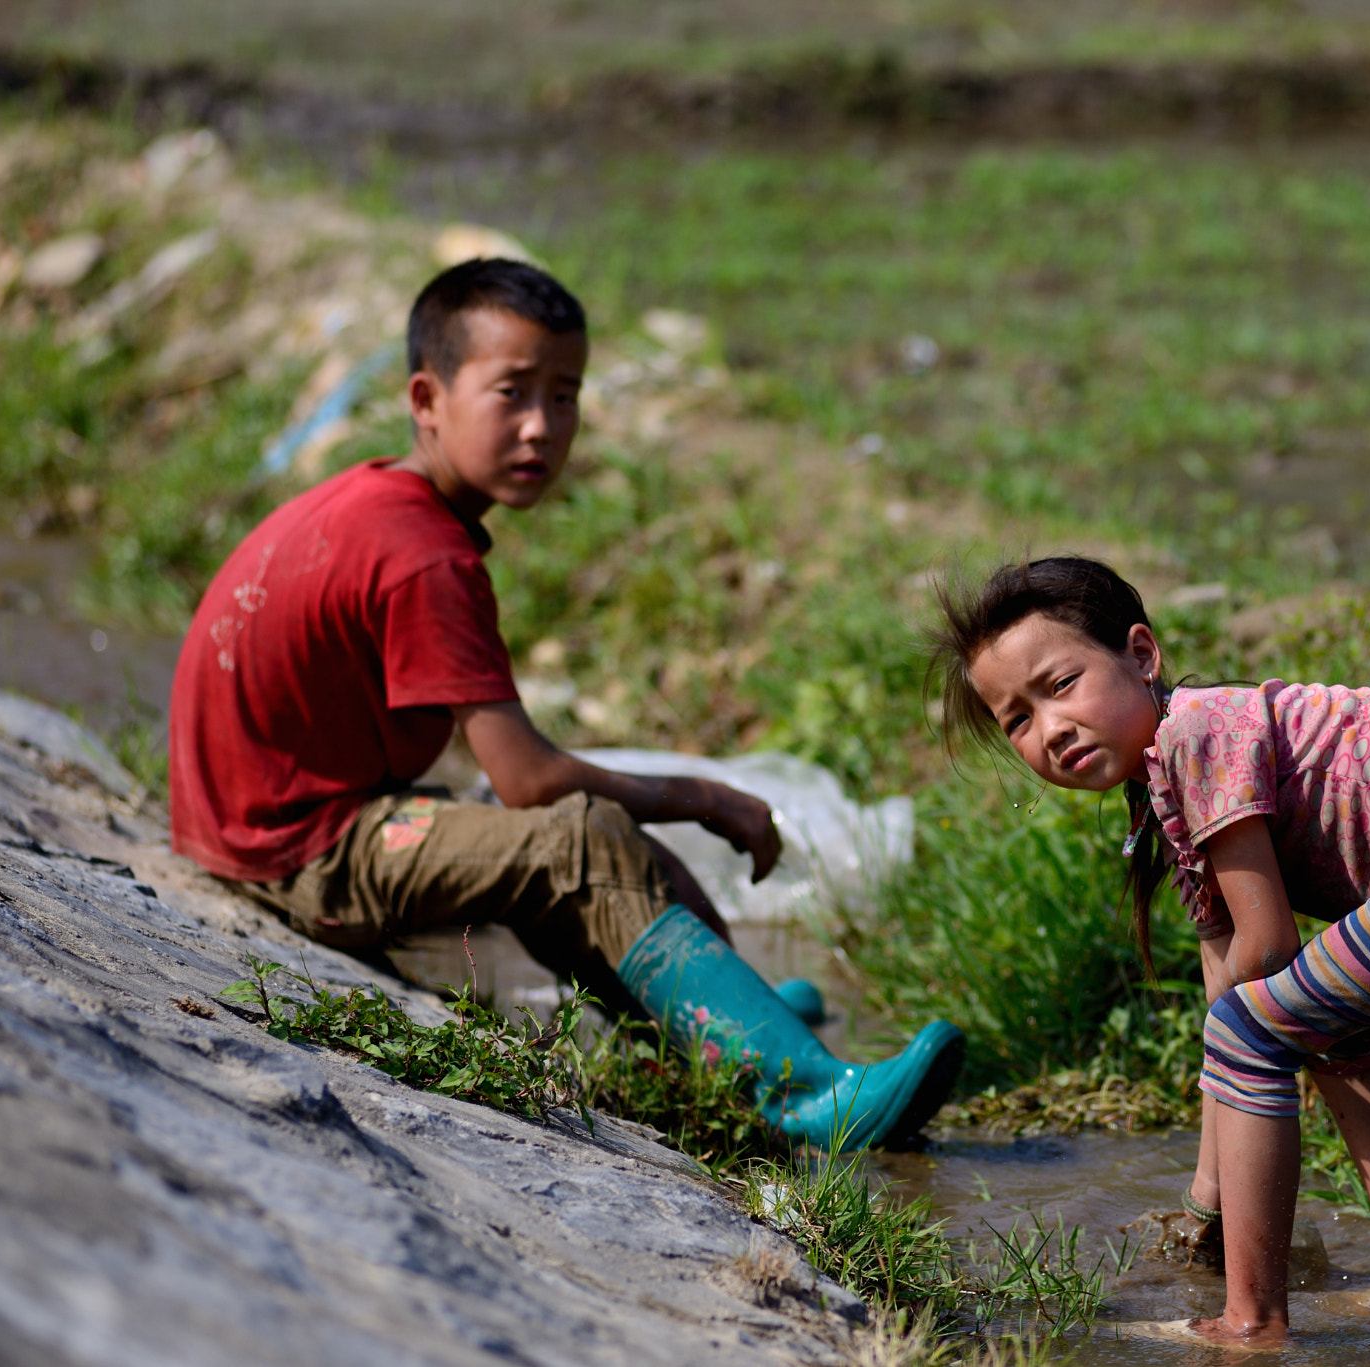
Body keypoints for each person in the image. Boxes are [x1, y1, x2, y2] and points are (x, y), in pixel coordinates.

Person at [170, 258, 961, 1150]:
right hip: (297, 846)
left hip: (264, 816)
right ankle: (799, 1092)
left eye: (566, 395)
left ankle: (734, 1012)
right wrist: (707, 798)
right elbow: (527, 779)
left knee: (584, 841)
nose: (542, 427)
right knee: (578, 835)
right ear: (426, 399)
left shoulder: (383, 500)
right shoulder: (428, 557)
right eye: (511, 393)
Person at [931, 556, 1370, 1347]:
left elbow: (1265, 949)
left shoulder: (1197, 732)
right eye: (1015, 719)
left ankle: (1251, 1321)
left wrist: (1226, 1145)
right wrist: (1206, 1191)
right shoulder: (1170, 784)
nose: (1048, 728)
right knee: (1320, 1027)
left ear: (1142, 655)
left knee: (1262, 1025)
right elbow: (1224, 979)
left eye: (1060, 685)